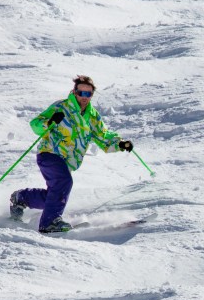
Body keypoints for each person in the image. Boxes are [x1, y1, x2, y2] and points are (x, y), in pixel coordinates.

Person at [9, 75, 135, 233]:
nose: (84, 97)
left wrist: (120, 143)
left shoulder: (92, 116)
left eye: (88, 94)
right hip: (50, 153)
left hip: (67, 161)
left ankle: (22, 198)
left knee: (54, 195)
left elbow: (103, 136)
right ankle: (49, 223)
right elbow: (35, 124)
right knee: (64, 182)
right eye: (81, 93)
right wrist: (49, 122)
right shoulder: (61, 107)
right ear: (74, 92)